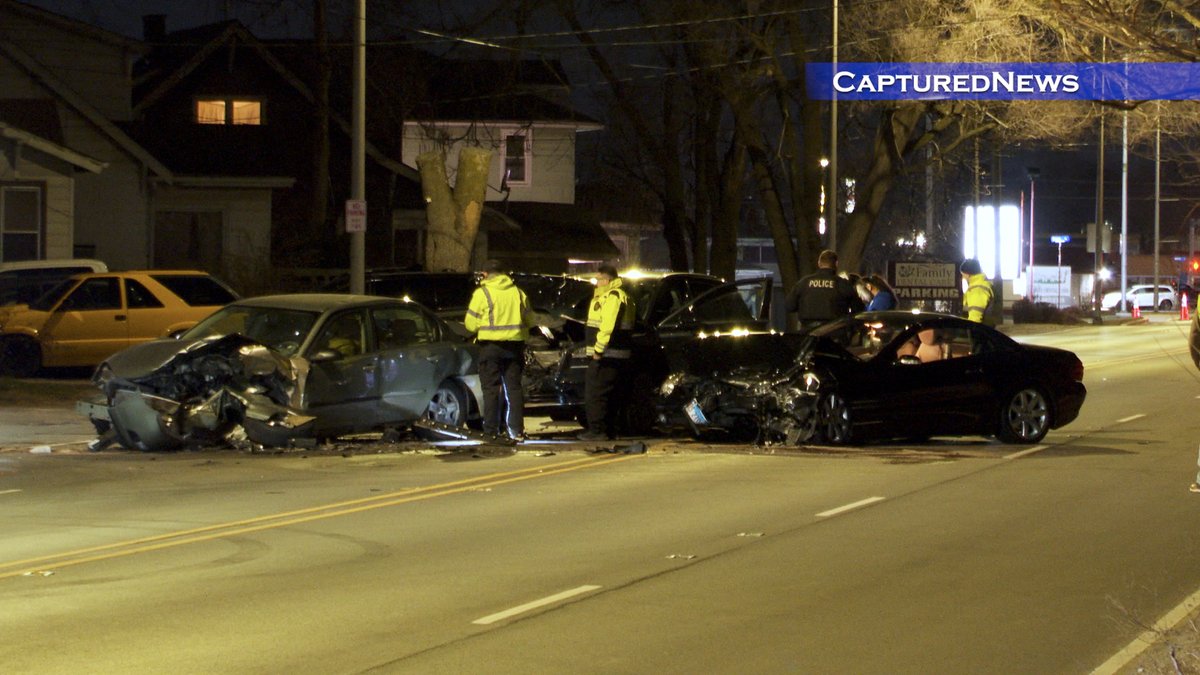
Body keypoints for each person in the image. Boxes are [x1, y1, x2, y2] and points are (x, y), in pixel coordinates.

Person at [464, 259, 533, 441]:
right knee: (514, 390)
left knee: (491, 390)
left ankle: (491, 432)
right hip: (514, 347)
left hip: (490, 348)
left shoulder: (482, 293)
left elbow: (470, 325)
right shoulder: (518, 293)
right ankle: (516, 431)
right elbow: (530, 321)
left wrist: (484, 325)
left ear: (485, 274)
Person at [578, 264, 637, 441]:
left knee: (595, 394)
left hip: (607, 355)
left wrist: (598, 351)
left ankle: (597, 431)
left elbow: (607, 326)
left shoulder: (613, 297)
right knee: (610, 394)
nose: (596, 283)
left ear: (607, 280)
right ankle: (608, 430)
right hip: (615, 354)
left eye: (598, 279)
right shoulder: (619, 296)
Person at [785, 249, 864, 331]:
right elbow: (858, 309)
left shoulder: (804, 282)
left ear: (819, 263)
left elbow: (790, 306)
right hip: (835, 333)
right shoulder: (843, 284)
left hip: (808, 333)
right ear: (836, 264)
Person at [960, 258, 995, 324]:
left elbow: (975, 318)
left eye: (963, 275)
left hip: (981, 331)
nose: (963, 278)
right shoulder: (982, 284)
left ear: (968, 274)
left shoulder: (977, 290)